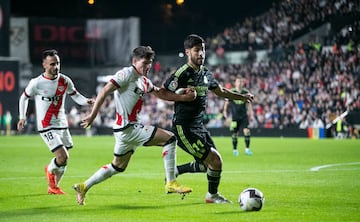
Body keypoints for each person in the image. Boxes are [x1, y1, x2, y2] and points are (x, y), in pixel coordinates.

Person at [73, 46, 196, 205]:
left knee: (118, 166)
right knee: (170, 139)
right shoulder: (126, 74)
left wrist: (182, 94)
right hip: (128, 129)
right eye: (145, 63)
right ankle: (171, 182)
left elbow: (161, 93)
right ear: (134, 61)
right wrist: (93, 115)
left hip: (124, 131)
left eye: (150, 63)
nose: (148, 66)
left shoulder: (144, 80)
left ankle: (84, 186)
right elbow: (104, 91)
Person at [163, 34, 254, 204]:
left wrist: (241, 97)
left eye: (203, 50)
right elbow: (164, 91)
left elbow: (220, 91)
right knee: (215, 160)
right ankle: (212, 196)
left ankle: (176, 171)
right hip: (184, 128)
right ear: (188, 52)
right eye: (197, 50)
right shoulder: (182, 73)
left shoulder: (206, 73)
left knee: (211, 164)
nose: (201, 54)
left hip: (199, 127)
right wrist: (182, 96)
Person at [17, 49, 94, 194]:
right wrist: (22, 116)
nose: (56, 67)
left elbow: (75, 95)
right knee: (62, 156)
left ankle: (53, 186)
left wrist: (86, 101)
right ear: (44, 65)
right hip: (46, 125)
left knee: (65, 158)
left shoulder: (64, 80)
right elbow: (24, 97)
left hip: (62, 124)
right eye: (52, 64)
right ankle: (51, 172)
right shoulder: (37, 83)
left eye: (58, 63)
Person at [223, 77, 254, 156]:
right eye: (238, 82)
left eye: (241, 82)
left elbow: (249, 104)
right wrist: (224, 111)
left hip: (244, 116)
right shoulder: (232, 92)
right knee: (235, 134)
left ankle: (247, 149)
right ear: (235, 83)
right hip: (235, 116)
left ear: (243, 83)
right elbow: (226, 102)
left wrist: (251, 114)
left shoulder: (245, 92)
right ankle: (235, 150)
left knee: (247, 131)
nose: (239, 83)